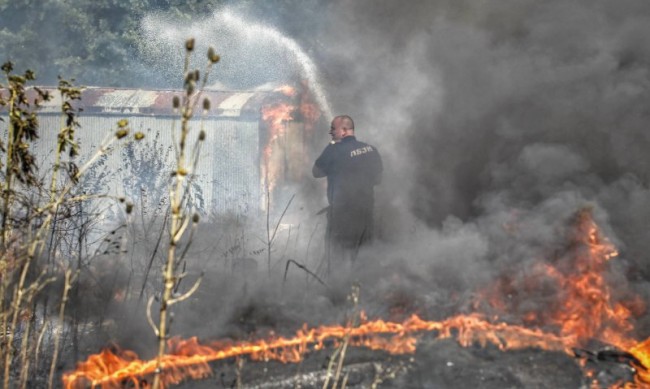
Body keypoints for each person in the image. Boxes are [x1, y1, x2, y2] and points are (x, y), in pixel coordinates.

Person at [312, 115, 383, 268]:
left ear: (344, 131)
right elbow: (378, 180)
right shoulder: (371, 149)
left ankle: (339, 289)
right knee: (364, 257)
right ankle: (362, 289)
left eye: (333, 128)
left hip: (341, 216)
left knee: (337, 257)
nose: (330, 132)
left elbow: (316, 172)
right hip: (366, 214)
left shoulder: (333, 150)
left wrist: (332, 149)